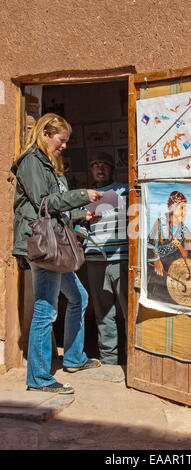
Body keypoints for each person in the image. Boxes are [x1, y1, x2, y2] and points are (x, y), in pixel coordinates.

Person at [11, 113, 102, 395]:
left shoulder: (47, 164)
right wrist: (81, 195)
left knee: (79, 297)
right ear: (46, 134)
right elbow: (44, 203)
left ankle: (74, 359)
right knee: (46, 308)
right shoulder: (31, 162)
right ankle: (38, 378)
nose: (63, 146)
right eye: (61, 140)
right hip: (43, 244)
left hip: (53, 243)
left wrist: (80, 214)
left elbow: (55, 206)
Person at [84, 152, 128, 365]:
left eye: (104, 166)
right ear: (91, 171)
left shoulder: (124, 190)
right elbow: (78, 225)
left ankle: (133, 361)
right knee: (103, 313)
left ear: (112, 170)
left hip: (121, 257)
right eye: (96, 166)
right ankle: (109, 360)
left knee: (128, 310)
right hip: (94, 259)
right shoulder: (85, 195)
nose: (100, 169)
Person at [147, 190, 191, 304]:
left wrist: (180, 246)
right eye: (181, 208)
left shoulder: (184, 230)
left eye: (185, 208)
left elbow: (189, 254)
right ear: (172, 209)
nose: (184, 212)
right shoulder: (161, 223)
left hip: (177, 269)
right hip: (161, 268)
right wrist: (156, 261)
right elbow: (150, 245)